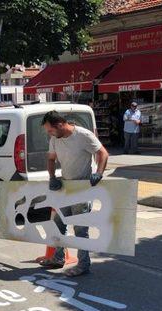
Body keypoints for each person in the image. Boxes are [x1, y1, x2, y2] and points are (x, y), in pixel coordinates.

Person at [41, 111, 109, 277]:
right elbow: (51, 159)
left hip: (82, 188)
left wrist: (99, 173)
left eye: (50, 130)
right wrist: (52, 177)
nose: (49, 134)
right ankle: (58, 258)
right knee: (58, 224)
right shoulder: (55, 139)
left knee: (80, 228)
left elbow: (103, 153)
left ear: (59, 125)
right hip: (65, 186)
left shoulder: (83, 135)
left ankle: (83, 264)